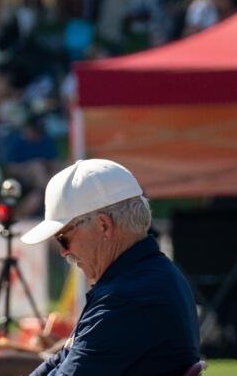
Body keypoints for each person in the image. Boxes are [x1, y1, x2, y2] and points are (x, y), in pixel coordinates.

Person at [20, 159, 200, 375]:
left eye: (63, 238)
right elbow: (62, 359)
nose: (64, 251)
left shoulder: (127, 297)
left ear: (103, 225)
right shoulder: (144, 277)